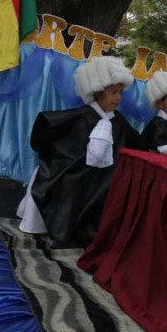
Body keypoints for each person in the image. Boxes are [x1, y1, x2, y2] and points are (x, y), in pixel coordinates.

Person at [19, 56, 138, 248]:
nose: (118, 98)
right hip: (77, 170)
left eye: (120, 93)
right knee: (69, 183)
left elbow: (135, 144)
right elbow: (61, 144)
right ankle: (62, 231)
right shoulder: (81, 117)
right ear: (97, 92)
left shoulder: (119, 121)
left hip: (104, 175)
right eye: (114, 92)